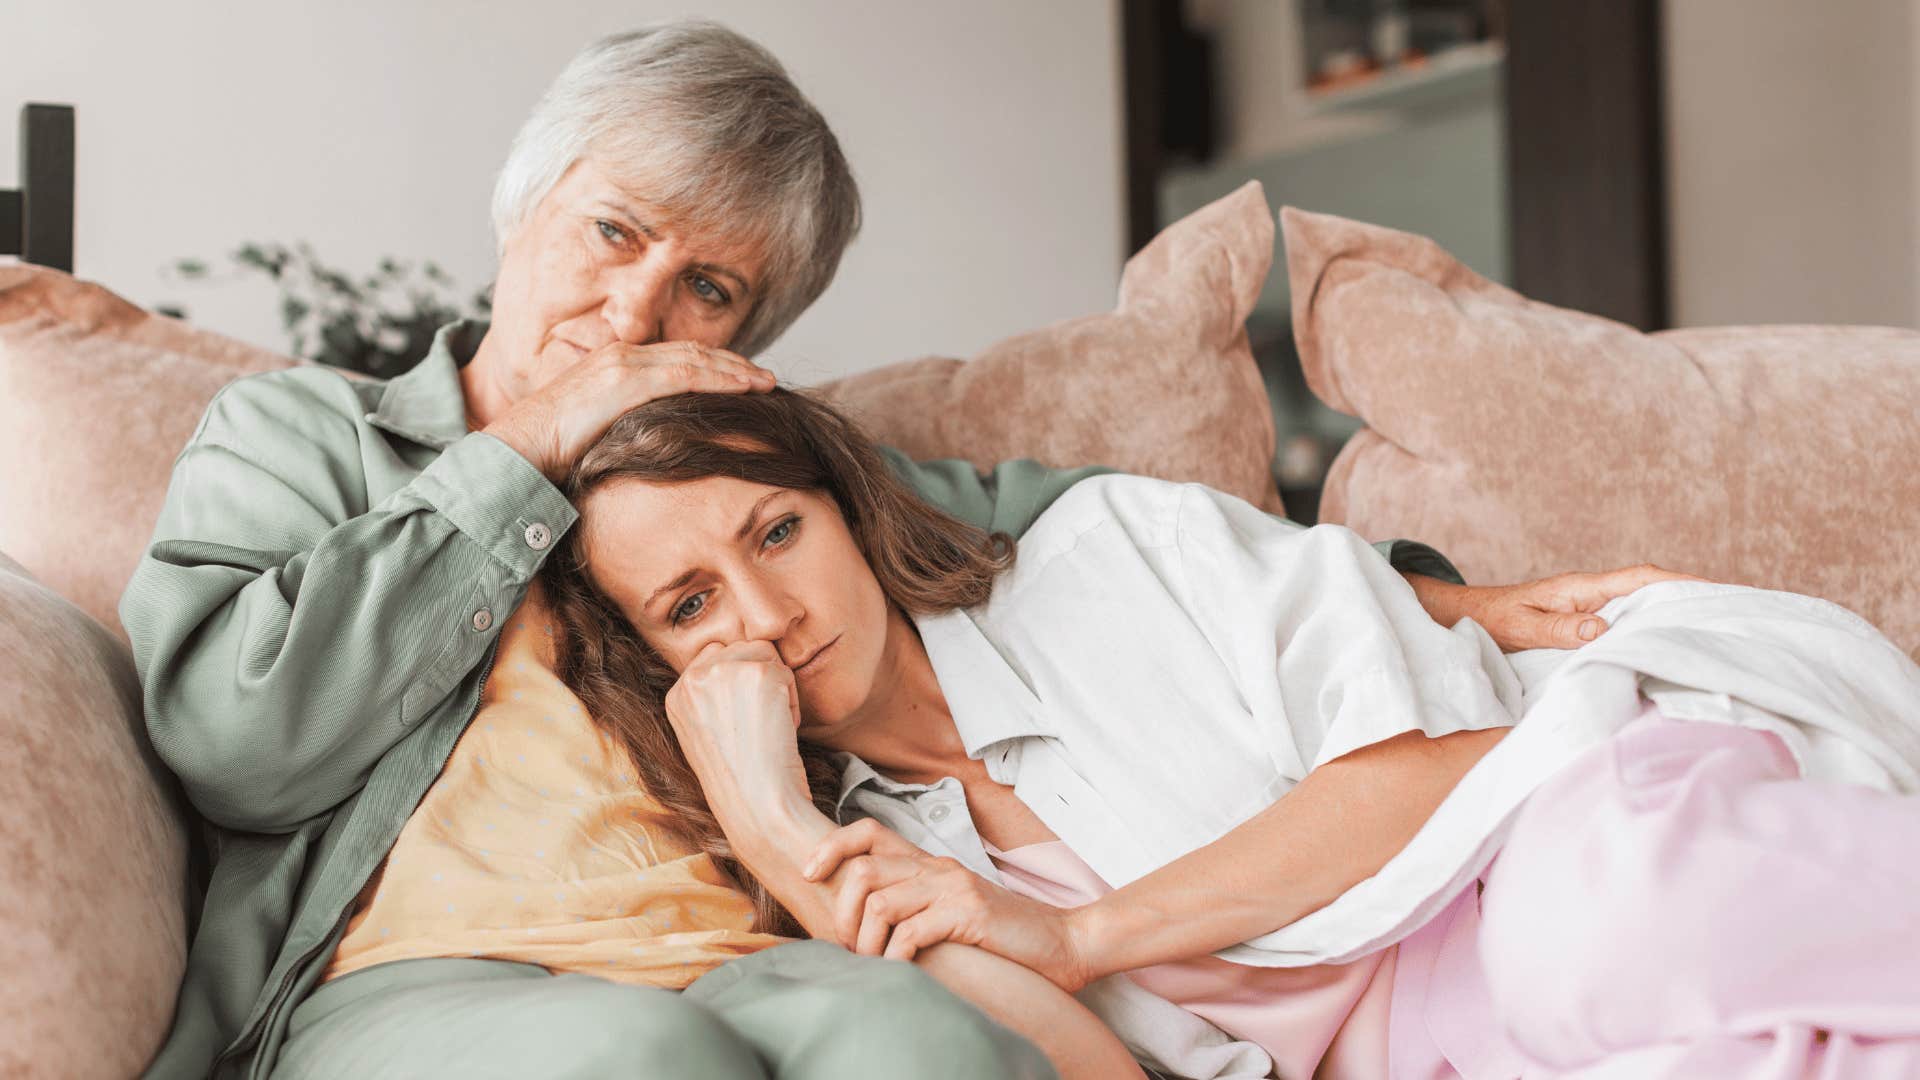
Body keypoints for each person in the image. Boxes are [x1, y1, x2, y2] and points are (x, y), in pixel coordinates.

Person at [122, 19, 1669, 1080]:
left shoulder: (739, 456)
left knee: (918, 1043)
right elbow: (231, 743)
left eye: (711, 290)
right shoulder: (307, 440)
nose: (641, 314)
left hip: (737, 946)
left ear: (755, 336)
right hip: (398, 980)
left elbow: (1017, 507)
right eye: (613, 233)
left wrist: (1444, 594)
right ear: (528, 208)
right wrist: (523, 449)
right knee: (635, 1060)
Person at [543, 386, 1920, 1079]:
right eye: (692, 604)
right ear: (654, 664)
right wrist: (776, 829)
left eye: (777, 530)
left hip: (1556, 829)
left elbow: (1432, 764)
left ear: (842, 505)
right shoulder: (870, 871)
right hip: (1442, 1051)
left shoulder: (1104, 552)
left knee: (1592, 936)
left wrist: (1083, 933)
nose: (771, 610)